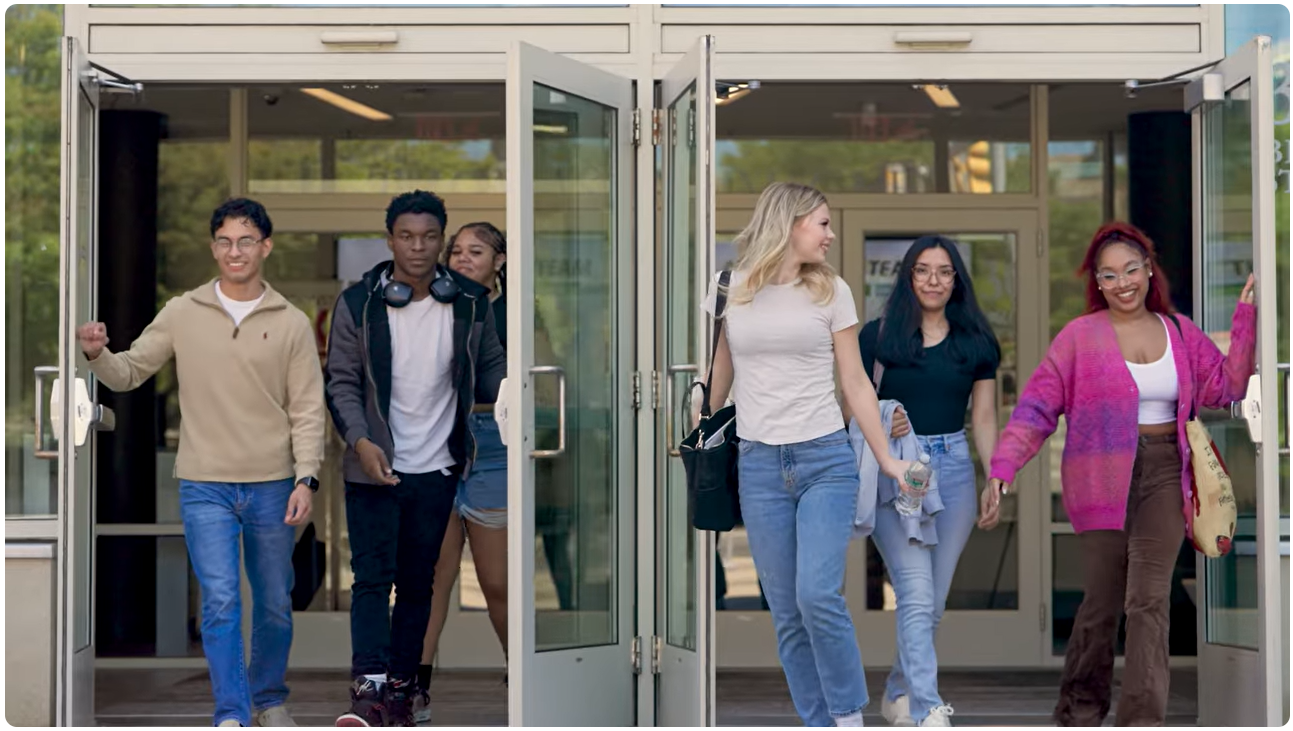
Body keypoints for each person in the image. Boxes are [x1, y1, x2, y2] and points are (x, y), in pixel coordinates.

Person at [980, 222, 1256, 726]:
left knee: (1148, 600)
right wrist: (1003, 469)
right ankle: (1080, 711)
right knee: (1102, 604)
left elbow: (1226, 387)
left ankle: (1141, 720)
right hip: (1098, 482)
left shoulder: (1179, 331)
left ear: (1149, 270)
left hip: (1166, 474)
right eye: (1110, 275)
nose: (1123, 282)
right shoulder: (1079, 337)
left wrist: (1247, 317)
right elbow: (1036, 408)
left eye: (1131, 270)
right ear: (1098, 283)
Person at [78, 198, 325, 728]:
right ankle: (231, 711)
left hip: (273, 482)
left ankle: (269, 699)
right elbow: (129, 373)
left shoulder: (290, 323)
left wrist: (307, 477)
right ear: (213, 247)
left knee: (275, 602)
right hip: (203, 482)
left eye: (246, 241)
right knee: (218, 601)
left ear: (266, 246)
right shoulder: (181, 311)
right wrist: (97, 355)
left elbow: (307, 409)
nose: (234, 251)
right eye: (224, 241)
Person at [700, 182, 912, 727]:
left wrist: (887, 460)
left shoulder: (831, 291)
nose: (830, 233)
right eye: (822, 223)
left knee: (817, 594)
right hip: (759, 463)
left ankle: (847, 716)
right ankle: (818, 721)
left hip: (824, 460)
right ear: (791, 223)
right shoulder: (730, 285)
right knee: (787, 612)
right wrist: (703, 423)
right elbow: (722, 363)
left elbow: (856, 383)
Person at [325, 191, 506, 727]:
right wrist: (361, 442)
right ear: (390, 240)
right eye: (407, 236)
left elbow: (493, 369)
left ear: (441, 239)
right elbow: (341, 383)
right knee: (371, 580)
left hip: (439, 469)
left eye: (430, 237)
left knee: (419, 584)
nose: (419, 247)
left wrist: (517, 392)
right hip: (372, 467)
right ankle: (367, 693)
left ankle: (401, 692)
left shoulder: (470, 304)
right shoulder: (358, 303)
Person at [859, 236, 1001, 727]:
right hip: (896, 470)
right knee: (916, 593)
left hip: (955, 467)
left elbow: (983, 417)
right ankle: (925, 708)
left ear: (956, 279)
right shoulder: (877, 338)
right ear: (908, 277)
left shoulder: (977, 342)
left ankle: (899, 690)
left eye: (944, 271)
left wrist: (995, 475)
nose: (934, 280)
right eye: (923, 270)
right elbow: (848, 405)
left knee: (932, 601)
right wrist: (882, 418)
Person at [413, 222, 510, 723]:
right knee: (432, 579)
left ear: (499, 262)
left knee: (497, 582)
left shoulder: (514, 313)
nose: (463, 257)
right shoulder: (428, 309)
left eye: (477, 251)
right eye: (457, 250)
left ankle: (524, 680)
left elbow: (529, 386)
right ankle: (414, 688)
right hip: (436, 445)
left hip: (494, 447)